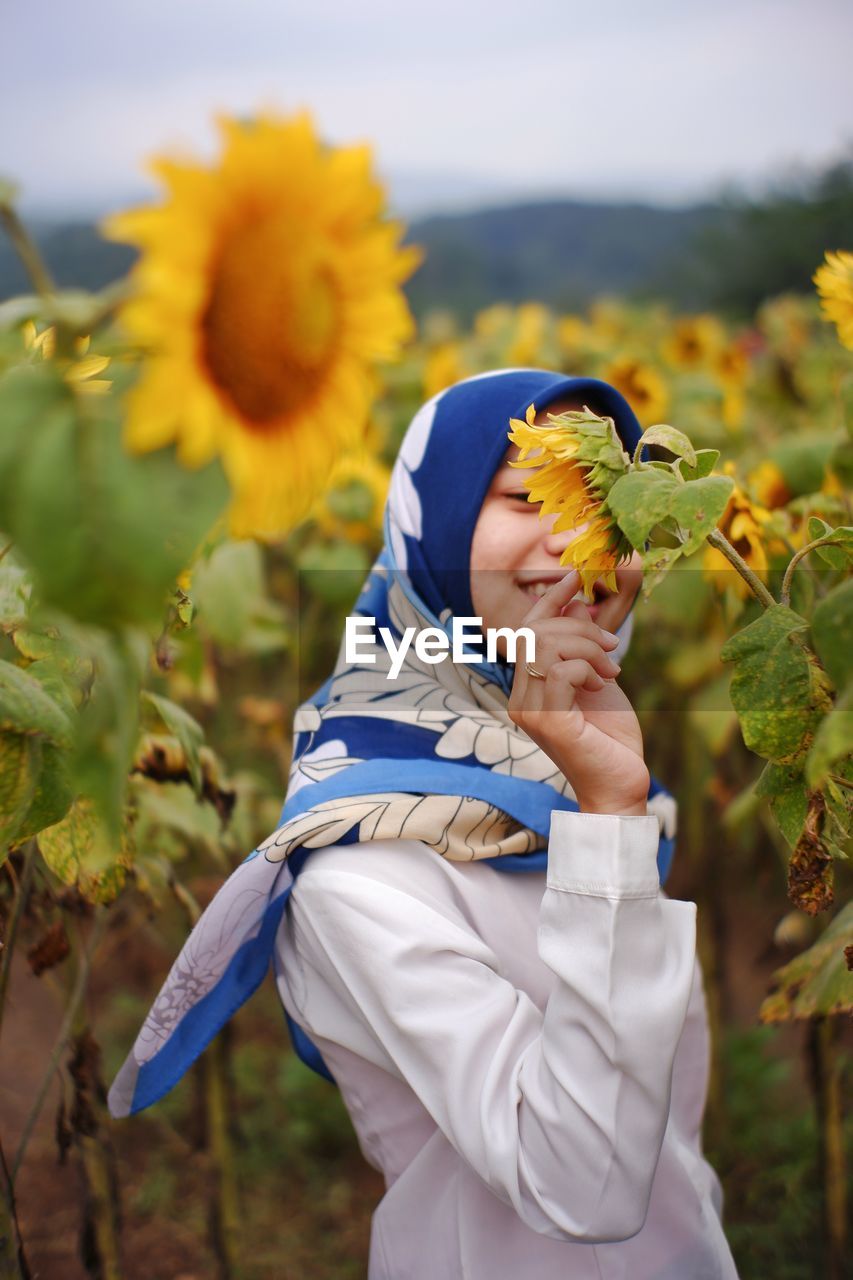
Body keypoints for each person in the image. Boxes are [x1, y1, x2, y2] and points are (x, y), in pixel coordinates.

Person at [109, 369, 739, 1280]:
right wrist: (609, 814)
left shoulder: (591, 790)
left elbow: (668, 1142)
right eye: (529, 496)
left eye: (616, 507)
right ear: (433, 530)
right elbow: (584, 1189)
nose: (577, 540)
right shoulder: (364, 871)